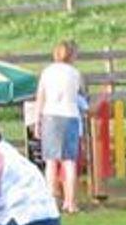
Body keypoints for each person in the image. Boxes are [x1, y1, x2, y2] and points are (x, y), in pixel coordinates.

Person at [29, 40, 84, 215]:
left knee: (51, 161)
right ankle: (70, 202)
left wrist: (37, 121)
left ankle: (51, 201)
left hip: (51, 115)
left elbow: (41, 98)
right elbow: (79, 94)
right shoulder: (75, 73)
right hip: (70, 115)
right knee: (69, 161)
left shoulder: (47, 72)